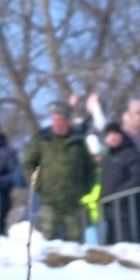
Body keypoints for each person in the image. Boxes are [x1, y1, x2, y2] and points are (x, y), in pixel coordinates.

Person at [21, 103, 97, 243]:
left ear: (68, 121)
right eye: (54, 120)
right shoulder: (41, 139)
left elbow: (90, 169)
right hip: (49, 201)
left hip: (74, 202)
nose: (57, 124)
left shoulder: (79, 142)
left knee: (75, 244)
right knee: (48, 242)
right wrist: (37, 184)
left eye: (61, 120)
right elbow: (28, 164)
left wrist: (85, 189)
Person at [97, 123, 140, 243]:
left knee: (127, 243)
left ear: (121, 135)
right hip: (110, 210)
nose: (112, 137)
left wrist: (119, 195)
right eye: (108, 135)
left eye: (115, 134)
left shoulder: (132, 154)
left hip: (129, 208)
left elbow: (138, 178)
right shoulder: (107, 158)